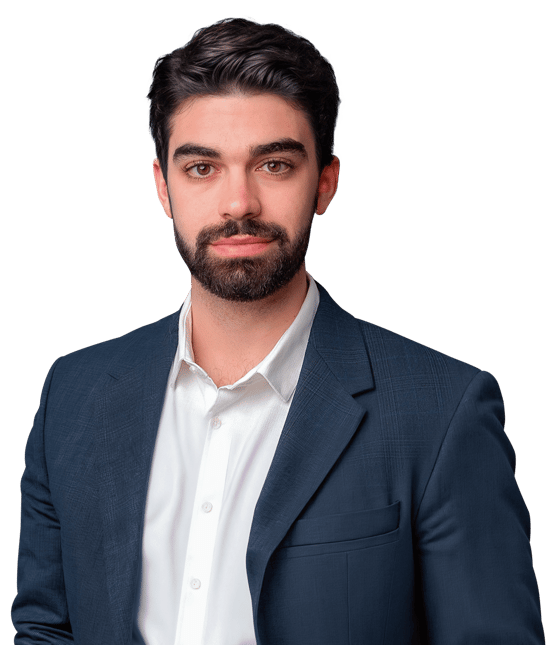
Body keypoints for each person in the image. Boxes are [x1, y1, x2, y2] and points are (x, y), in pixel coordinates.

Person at [12, 15, 543, 645]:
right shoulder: (73, 393)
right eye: (202, 168)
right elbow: (45, 629)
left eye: (274, 164)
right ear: (162, 186)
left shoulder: (442, 413)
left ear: (325, 182)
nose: (239, 203)